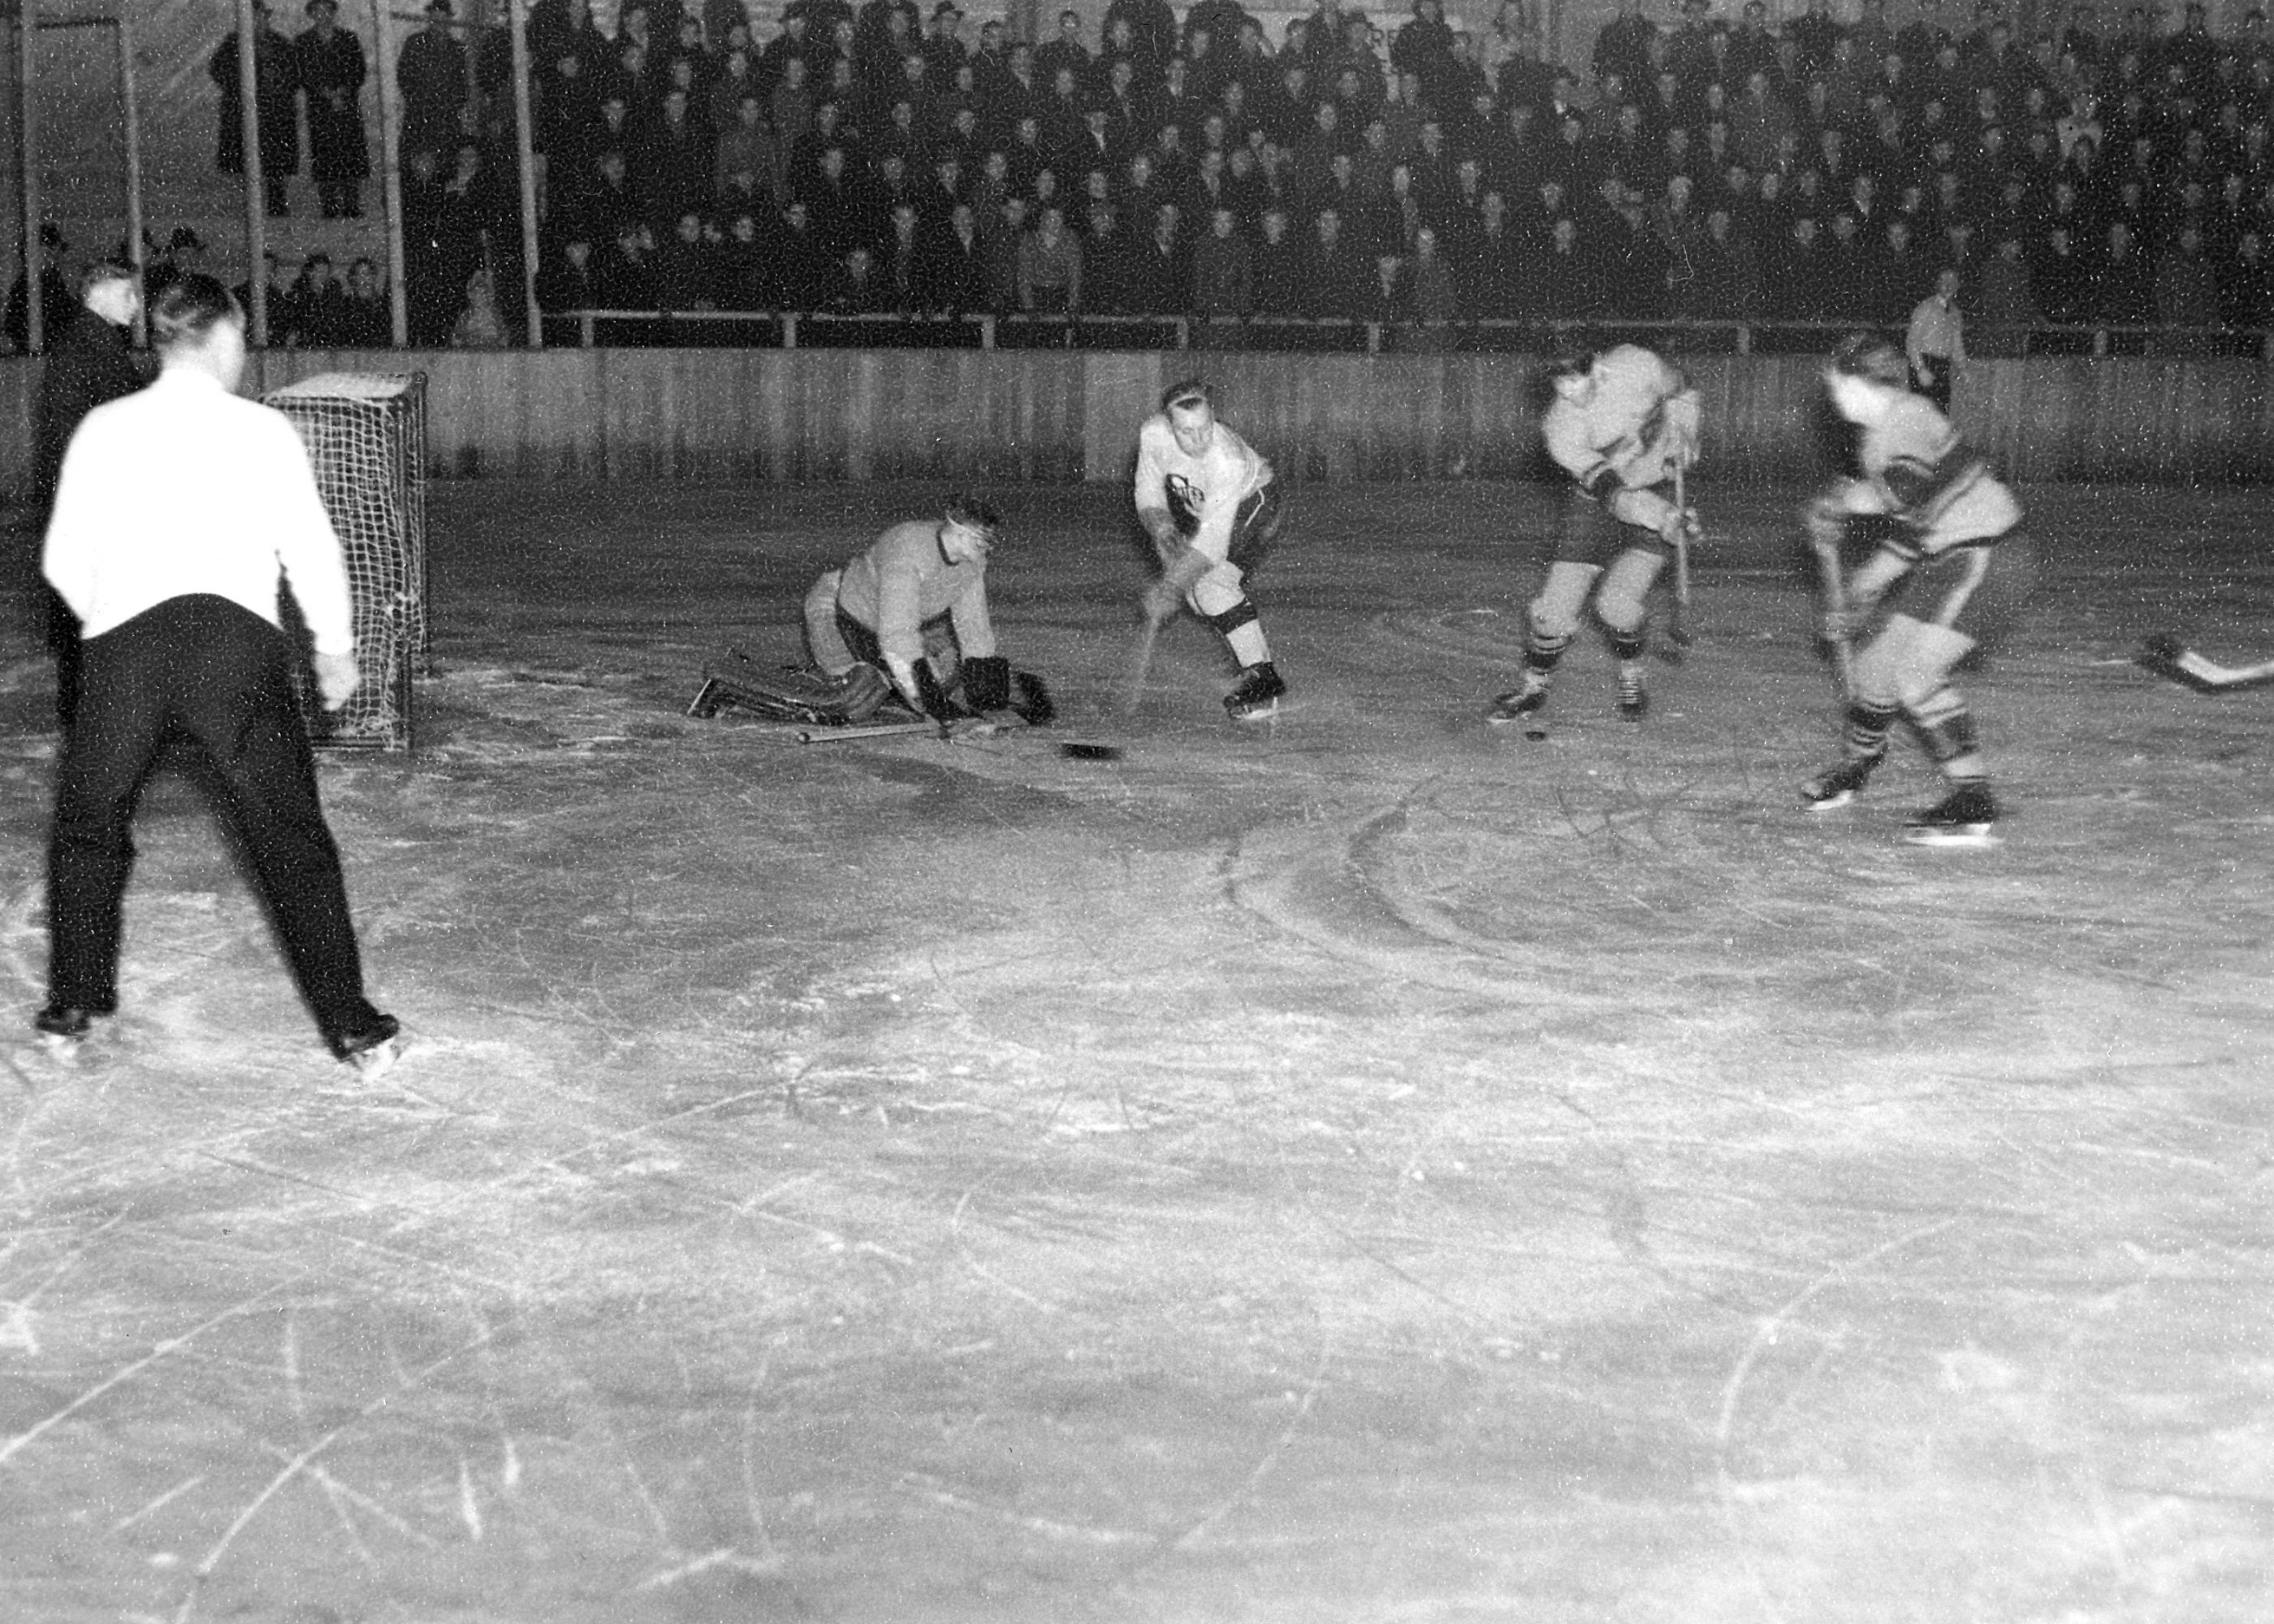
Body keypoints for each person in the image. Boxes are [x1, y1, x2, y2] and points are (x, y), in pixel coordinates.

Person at [37, 274, 400, 1067]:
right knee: (290, 837)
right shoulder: (261, 430)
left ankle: (71, 1005)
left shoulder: (104, 426)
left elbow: (62, 555)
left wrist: (113, 620)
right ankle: (350, 1022)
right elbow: (310, 544)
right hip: (233, 651)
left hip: (126, 652)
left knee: (90, 827)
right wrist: (334, 646)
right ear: (225, 339)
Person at [1800, 332, 2036, 847]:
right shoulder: (1880, 436)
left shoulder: (1905, 417)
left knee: (1916, 675)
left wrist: (1846, 502)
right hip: (1950, 555)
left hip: (1988, 556)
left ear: (1859, 382)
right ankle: (1857, 767)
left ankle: (1974, 799)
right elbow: (1913, 529)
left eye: (1837, 385)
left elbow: (1903, 488)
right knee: (1875, 669)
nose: (1834, 397)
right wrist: (1859, 591)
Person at [1487, 337, 1698, 732]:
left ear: (1598, 365)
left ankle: (1631, 672)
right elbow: (1615, 495)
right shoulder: (1560, 430)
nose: (1568, 393)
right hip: (1603, 501)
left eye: (1576, 381)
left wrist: (1686, 424)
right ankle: (1534, 686)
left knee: (1616, 606)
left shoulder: (1639, 364)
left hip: (1659, 485)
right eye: (1558, 384)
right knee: (1554, 607)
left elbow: (1682, 385)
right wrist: (1663, 517)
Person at [32, 261, 148, 729]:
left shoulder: (93, 341)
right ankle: (85, 712)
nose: (136, 306)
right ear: (98, 294)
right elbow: (82, 428)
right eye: (128, 295)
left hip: (84, 493)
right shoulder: (89, 345)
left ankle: (85, 706)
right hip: (88, 497)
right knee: (87, 603)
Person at [1134, 378, 1288, 722]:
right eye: (1186, 432)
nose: (1199, 440)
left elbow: (1213, 544)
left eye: (1205, 428)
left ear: (1214, 417)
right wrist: (1163, 529)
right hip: (1210, 512)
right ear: (1168, 425)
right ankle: (1249, 656)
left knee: (1211, 585)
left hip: (1255, 503)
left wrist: (1170, 585)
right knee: (1198, 594)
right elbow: (1148, 492)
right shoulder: (1152, 434)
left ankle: (1262, 677)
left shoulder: (1226, 459)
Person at [801, 495, 1013, 721]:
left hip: (879, 626)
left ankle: (888, 676)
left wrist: (985, 690)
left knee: (939, 678)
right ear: (959, 533)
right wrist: (928, 696)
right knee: (856, 695)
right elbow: (897, 632)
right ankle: (821, 675)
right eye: (981, 541)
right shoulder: (908, 550)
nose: (988, 549)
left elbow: (973, 626)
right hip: (839, 614)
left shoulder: (972, 562)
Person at [1905, 265, 1966, 412]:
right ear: (1937, 284)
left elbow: (1956, 343)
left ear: (1958, 285)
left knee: (1941, 414)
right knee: (1921, 417)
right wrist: (1920, 369)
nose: (1948, 284)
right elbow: (1912, 341)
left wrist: (1963, 367)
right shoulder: (1925, 308)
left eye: (1952, 280)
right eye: (1944, 280)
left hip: (1942, 366)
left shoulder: (1956, 313)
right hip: (1925, 363)